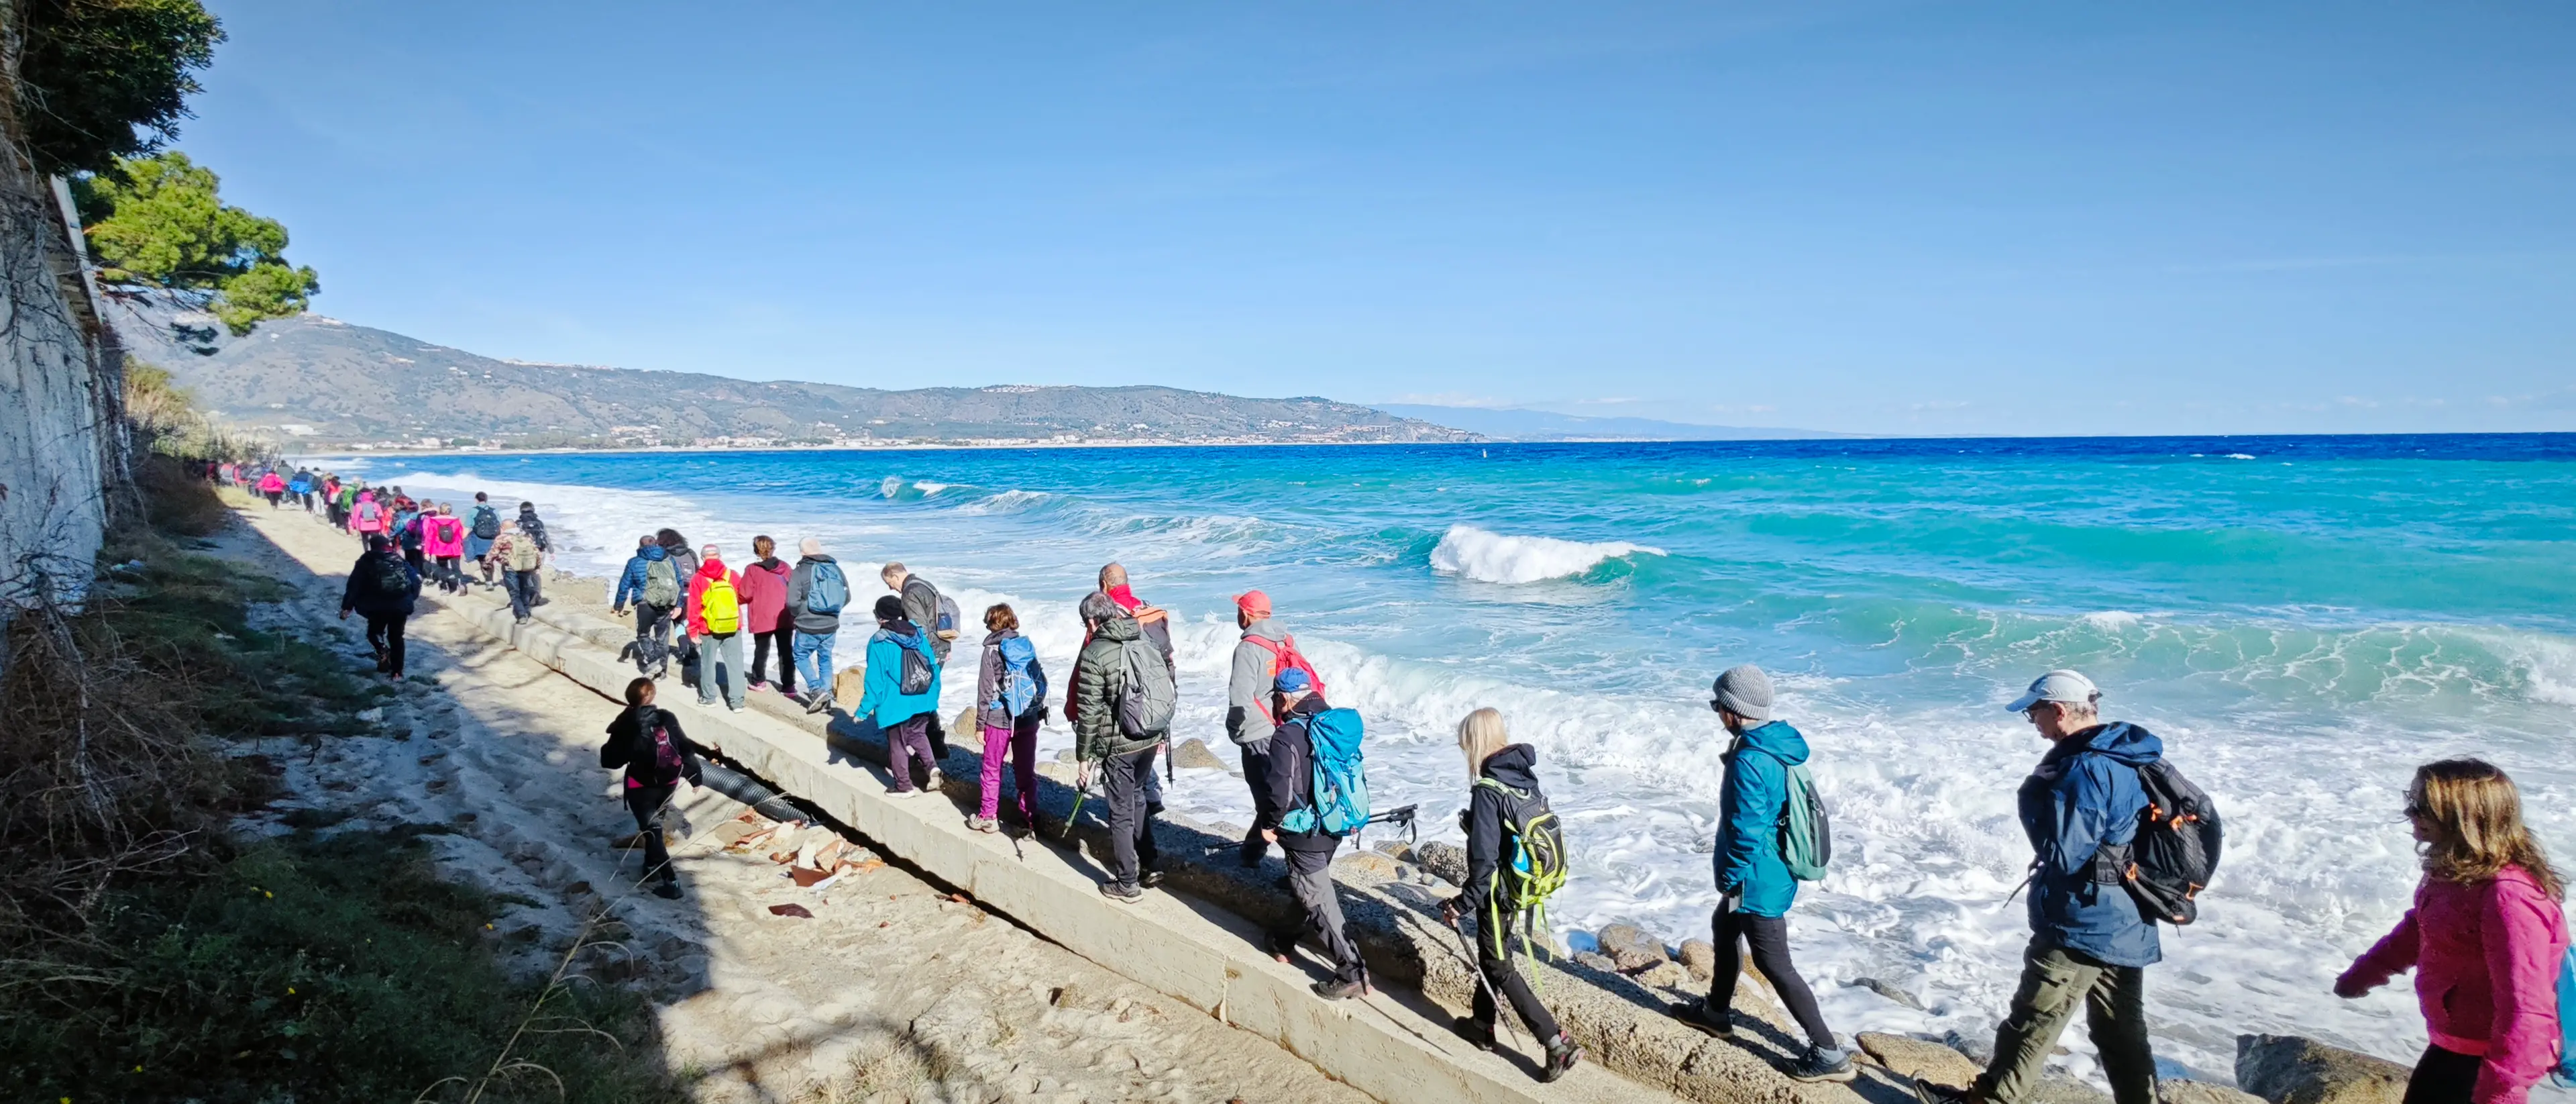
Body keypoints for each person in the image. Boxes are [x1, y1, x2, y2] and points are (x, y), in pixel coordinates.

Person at [1917, 670, 2163, 1104]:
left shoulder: (2084, 766)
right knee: (2120, 1029)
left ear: (2060, 710)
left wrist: (2032, 793)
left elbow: (2066, 854)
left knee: (2033, 1018)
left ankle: (1988, 1100)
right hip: (2126, 911)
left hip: (2083, 920)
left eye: (2034, 711)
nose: (2032, 720)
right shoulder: (2126, 754)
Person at [2335, 760, 2569, 1104]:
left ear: (2463, 816)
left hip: (2490, 1058)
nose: (2409, 812)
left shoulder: (2508, 895)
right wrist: (2366, 972)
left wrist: (2504, 1091)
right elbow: (2420, 927)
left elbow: (2527, 1005)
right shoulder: (2453, 873)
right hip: (2453, 1041)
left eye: (2422, 806)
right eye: (2410, 800)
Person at [1666, 664, 1854, 1082]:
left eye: (1718, 705)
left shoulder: (1752, 757)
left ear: (1734, 711)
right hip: (1770, 869)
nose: (1716, 713)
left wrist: (1729, 874)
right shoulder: (1775, 745)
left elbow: (1746, 829)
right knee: (1724, 924)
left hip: (1756, 877)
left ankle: (1829, 1053)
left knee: (1774, 963)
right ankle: (1716, 1013)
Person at [1444, 707, 1584, 1082]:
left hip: (1497, 893)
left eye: (1464, 744)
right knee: (1494, 956)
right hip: (1523, 885)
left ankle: (1556, 1043)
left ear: (1474, 743)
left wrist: (1460, 903)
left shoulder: (1489, 789)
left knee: (1501, 966)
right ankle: (1481, 1025)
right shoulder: (1523, 777)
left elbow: (1484, 862)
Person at [1254, 667, 1366, 997]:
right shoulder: (1332, 725)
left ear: (1286, 698)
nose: (1276, 704)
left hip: (1303, 832)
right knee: (1306, 887)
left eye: (1276, 698)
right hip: (1334, 824)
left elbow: (1280, 792)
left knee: (1318, 900)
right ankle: (1284, 939)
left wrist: (1269, 824)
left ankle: (1352, 972)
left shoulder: (1287, 735)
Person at [1074, 590, 1167, 902]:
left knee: (1121, 810)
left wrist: (1083, 758)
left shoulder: (1095, 653)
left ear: (1091, 620)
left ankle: (1127, 882)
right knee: (1139, 796)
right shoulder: (1142, 638)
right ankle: (1149, 862)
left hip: (1120, 746)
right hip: (1151, 736)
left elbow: (1088, 713)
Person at [1226, 589, 1314, 866]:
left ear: (1245, 614)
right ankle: (1253, 852)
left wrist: (1233, 729)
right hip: (1289, 729)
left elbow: (1240, 697)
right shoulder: (1286, 640)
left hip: (1257, 733)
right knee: (1283, 796)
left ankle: (1294, 865)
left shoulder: (1247, 647)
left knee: (1270, 802)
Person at [598, 678, 704, 901]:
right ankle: (649, 867)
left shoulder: (627, 723)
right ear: (652, 695)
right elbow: (684, 747)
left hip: (641, 784)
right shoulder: (666, 718)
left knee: (652, 830)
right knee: (654, 825)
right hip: (668, 783)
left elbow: (611, 760)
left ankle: (671, 881)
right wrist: (695, 777)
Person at [1096, 563, 1171, 810]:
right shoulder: (1147, 610)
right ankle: (1150, 795)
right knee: (1143, 750)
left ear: (1104, 586)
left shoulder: (1109, 614)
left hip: (1124, 697)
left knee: (1122, 758)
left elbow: (1094, 660)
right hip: (1156, 695)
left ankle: (1128, 819)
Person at [970, 603, 1047, 834]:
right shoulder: (1026, 646)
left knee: (992, 769)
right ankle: (1030, 819)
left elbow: (985, 690)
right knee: (1025, 771)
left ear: (991, 624)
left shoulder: (991, 651)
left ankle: (988, 817)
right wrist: (1036, 710)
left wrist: (980, 724)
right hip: (1027, 717)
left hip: (998, 719)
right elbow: (1041, 681)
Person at [855, 595, 943, 797]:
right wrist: (934, 696)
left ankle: (904, 786)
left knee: (898, 744)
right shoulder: (918, 634)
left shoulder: (880, 641)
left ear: (879, 618)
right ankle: (931, 767)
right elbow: (933, 667)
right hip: (924, 698)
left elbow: (875, 680)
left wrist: (863, 710)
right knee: (918, 734)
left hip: (897, 703)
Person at [881, 562, 954, 750]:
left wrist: (921, 655)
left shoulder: (910, 593)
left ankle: (930, 744)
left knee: (919, 694)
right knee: (927, 694)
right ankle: (934, 743)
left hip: (928, 651)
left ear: (895, 576)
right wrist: (946, 646)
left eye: (889, 582)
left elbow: (919, 627)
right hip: (941, 645)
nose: (891, 588)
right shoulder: (925, 585)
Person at [340, 534, 421, 680]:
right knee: (396, 637)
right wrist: (410, 598)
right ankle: (397, 672)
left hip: (376, 606)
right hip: (400, 605)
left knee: (374, 633)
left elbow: (354, 586)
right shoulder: (398, 560)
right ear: (386, 545)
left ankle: (383, 650)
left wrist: (347, 606)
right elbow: (415, 580)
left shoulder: (365, 561)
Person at [684, 544, 748, 712]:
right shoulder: (732, 575)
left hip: (709, 628)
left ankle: (709, 698)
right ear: (719, 556)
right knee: (735, 664)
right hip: (732, 625)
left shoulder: (698, 579)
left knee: (707, 663)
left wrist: (693, 630)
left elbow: (694, 607)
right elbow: (741, 598)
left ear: (702, 558)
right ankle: (737, 702)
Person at [785, 538, 845, 713]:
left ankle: (816, 689)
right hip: (831, 625)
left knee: (801, 656)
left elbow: (791, 602)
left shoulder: (800, 571)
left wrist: (801, 614)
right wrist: (832, 611)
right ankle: (826, 697)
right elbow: (845, 597)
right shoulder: (835, 569)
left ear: (802, 552)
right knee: (825, 659)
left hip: (807, 625)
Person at [611, 534, 678, 678]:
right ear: (655, 544)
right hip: (666, 604)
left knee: (643, 635)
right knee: (662, 639)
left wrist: (619, 605)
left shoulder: (634, 562)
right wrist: (678, 604)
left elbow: (624, 585)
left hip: (644, 604)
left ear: (640, 546)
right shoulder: (669, 559)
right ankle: (662, 672)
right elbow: (678, 581)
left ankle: (653, 660)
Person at [740, 535, 794, 695]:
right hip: (784, 614)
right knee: (786, 651)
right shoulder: (785, 567)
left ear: (756, 550)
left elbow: (745, 593)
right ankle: (789, 686)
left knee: (761, 650)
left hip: (761, 615)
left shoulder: (752, 569)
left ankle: (759, 681)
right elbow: (794, 589)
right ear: (773, 549)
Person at [488, 519, 543, 624]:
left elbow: (493, 553)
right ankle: (526, 610)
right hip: (527, 568)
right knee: (525, 590)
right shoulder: (527, 536)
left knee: (514, 593)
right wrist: (537, 566)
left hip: (510, 568)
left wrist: (487, 564)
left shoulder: (502, 538)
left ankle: (522, 615)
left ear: (503, 528)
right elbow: (536, 552)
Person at [422, 503, 467, 594]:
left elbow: (429, 537)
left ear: (440, 510)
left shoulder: (433, 521)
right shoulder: (456, 521)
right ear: (450, 511)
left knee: (442, 568)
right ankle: (461, 584)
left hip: (440, 549)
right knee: (456, 568)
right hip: (454, 549)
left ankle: (444, 588)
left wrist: (427, 551)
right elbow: (460, 535)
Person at [515, 501, 552, 606]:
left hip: (525, 552)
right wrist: (552, 551)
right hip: (540, 551)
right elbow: (546, 537)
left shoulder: (518, 523)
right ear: (533, 510)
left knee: (525, 573)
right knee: (536, 574)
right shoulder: (539, 522)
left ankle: (527, 595)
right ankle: (536, 594)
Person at [464, 492, 503, 585]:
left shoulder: (473, 511)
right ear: (486, 499)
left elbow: (467, 528)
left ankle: (488, 581)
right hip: (492, 539)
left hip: (479, 539)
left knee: (482, 560)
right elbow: (500, 526)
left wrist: (463, 541)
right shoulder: (494, 511)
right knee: (490, 559)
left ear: (476, 500)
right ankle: (490, 580)